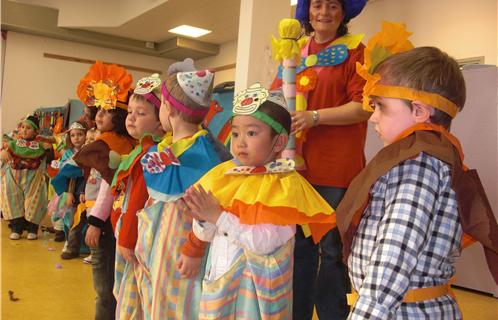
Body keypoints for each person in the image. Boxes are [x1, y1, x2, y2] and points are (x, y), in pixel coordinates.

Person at [335, 22, 498, 319]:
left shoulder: (416, 165)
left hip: (402, 311)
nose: (373, 117)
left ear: (420, 111)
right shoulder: (430, 158)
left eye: (381, 106)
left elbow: (392, 261)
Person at [180, 84, 336, 319]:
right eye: (235, 133)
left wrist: (218, 216)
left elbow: (263, 243)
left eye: (251, 133)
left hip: (252, 295)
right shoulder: (226, 175)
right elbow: (210, 230)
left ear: (279, 142)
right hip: (219, 283)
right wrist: (202, 219)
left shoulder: (282, 186)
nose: (240, 142)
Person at [271, 0, 369, 318]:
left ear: (344, 13)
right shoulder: (293, 49)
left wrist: (315, 116)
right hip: (294, 166)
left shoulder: (356, 51)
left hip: (336, 168)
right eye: (317, 5)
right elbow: (276, 97)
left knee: (330, 252)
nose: (324, 12)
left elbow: (363, 106)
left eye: (332, 5)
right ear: (307, 11)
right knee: (298, 246)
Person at [133, 69, 231, 319]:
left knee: (178, 307)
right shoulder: (168, 147)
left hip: (180, 248)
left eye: (162, 104)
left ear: (170, 109)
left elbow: (207, 212)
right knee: (157, 300)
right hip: (158, 247)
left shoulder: (202, 157)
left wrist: (194, 249)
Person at [74, 61, 136, 319]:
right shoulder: (127, 142)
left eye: (107, 110)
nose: (99, 115)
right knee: (116, 279)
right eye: (97, 109)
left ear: (119, 115)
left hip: (106, 221)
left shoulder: (107, 145)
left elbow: (108, 188)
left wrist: (96, 221)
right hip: (120, 219)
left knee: (103, 283)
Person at [110, 73, 165, 319]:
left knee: (133, 303)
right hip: (126, 236)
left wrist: (127, 239)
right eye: (131, 111)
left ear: (161, 121)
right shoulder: (139, 149)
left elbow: (139, 200)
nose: (131, 117)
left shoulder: (151, 153)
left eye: (141, 113)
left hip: (133, 242)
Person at [1, 115, 54, 240]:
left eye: (28, 128)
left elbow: (51, 159)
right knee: (13, 200)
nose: (24, 130)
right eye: (22, 127)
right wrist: (2, 152)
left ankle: (32, 229)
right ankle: (16, 229)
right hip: (14, 178)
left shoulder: (42, 144)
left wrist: (49, 149)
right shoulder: (12, 143)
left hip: (34, 179)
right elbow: (3, 152)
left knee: (34, 203)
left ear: (35, 131)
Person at [48, 121, 87, 242]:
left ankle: (79, 241)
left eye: (80, 134)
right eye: (73, 135)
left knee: (80, 215)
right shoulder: (68, 153)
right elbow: (63, 173)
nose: (76, 138)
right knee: (66, 212)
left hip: (84, 187)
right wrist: (68, 192)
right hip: (68, 188)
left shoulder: (88, 151)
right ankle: (65, 235)